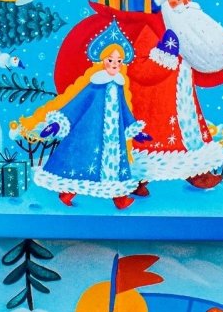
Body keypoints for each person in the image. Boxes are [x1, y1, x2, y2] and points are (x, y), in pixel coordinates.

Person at [53, 0, 223, 191]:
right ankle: (138, 179)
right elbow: (139, 71)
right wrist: (164, 54)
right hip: (154, 109)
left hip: (186, 110)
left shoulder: (189, 36)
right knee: (149, 151)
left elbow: (201, 78)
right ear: (165, 4)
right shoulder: (151, 30)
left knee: (190, 143)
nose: (185, 4)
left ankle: (198, 173)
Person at [17, 20, 149, 210]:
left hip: (114, 137)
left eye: (119, 61)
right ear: (102, 61)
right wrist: (56, 124)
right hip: (91, 135)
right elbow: (76, 105)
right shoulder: (95, 85)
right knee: (81, 167)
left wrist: (134, 129)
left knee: (115, 167)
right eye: (111, 60)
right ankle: (67, 194)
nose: (115, 64)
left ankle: (120, 199)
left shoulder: (118, 85)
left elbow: (124, 111)